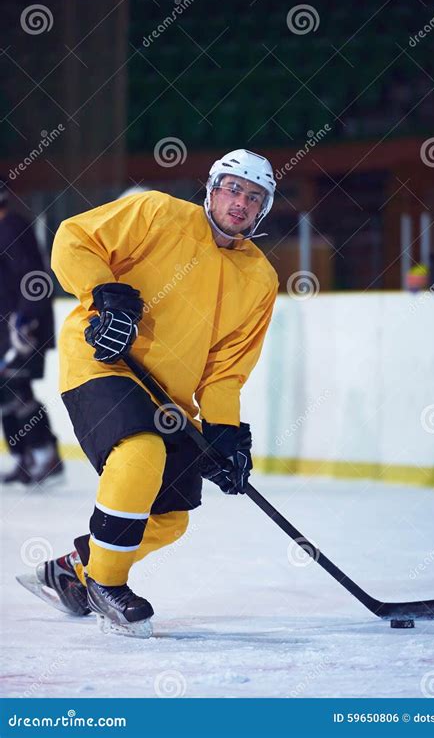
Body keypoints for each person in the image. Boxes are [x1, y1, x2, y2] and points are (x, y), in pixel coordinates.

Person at [20, 150, 278, 637]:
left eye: (253, 196)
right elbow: (73, 239)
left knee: (170, 516)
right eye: (232, 188)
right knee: (141, 450)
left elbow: (226, 367)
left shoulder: (260, 278)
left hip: (167, 399)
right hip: (103, 361)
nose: (240, 202)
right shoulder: (158, 212)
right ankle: (106, 583)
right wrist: (104, 294)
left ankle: (70, 572)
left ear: (263, 209)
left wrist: (223, 431)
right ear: (211, 188)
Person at [0, 178, 63, 485]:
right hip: (8, 329)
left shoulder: (12, 228)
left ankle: (45, 455)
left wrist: (25, 320)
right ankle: (24, 457)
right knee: (6, 394)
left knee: (18, 391)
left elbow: (33, 279)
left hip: (22, 330)